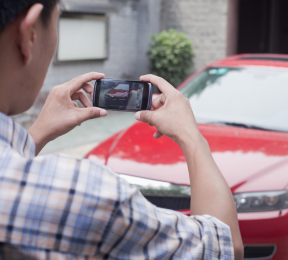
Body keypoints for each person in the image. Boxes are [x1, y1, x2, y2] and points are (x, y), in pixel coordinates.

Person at [0, 0, 243, 259]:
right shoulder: (85, 192)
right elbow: (224, 245)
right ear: (29, 35)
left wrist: (36, 134)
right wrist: (191, 137)